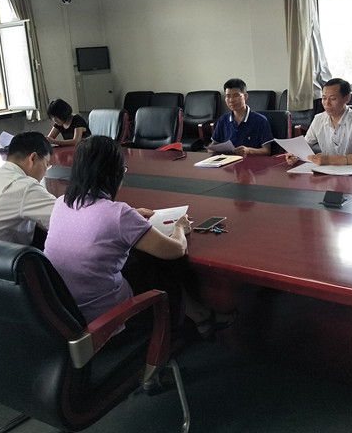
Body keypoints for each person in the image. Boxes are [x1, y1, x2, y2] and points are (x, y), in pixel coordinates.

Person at [44, 135, 236, 341]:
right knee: (155, 271)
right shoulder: (118, 215)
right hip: (110, 323)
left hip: (67, 316)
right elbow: (176, 250)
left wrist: (132, 215)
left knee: (136, 262)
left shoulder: (62, 202)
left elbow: (94, 221)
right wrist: (180, 227)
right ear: (114, 173)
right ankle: (198, 319)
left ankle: (199, 316)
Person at [286, 78, 352, 166]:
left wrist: (330, 160)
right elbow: (304, 147)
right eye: (324, 98)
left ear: (347, 98)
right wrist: (294, 155)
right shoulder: (318, 119)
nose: (327, 103)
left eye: (333, 99)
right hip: (326, 171)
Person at [208, 78, 273, 156]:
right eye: (228, 96)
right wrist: (211, 149)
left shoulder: (260, 120)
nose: (231, 100)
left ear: (245, 96)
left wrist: (248, 151)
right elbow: (214, 144)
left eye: (236, 96)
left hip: (251, 161)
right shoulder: (223, 120)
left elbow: (267, 151)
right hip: (228, 161)